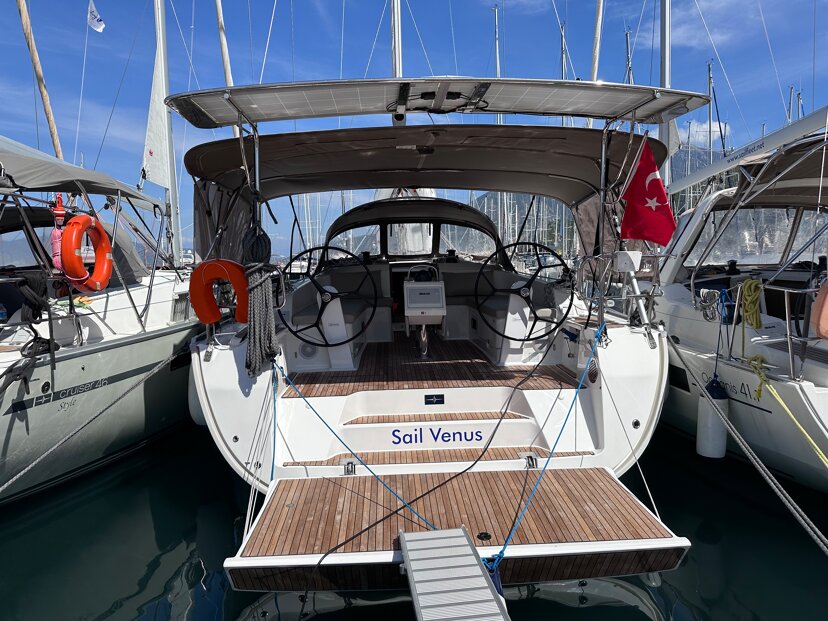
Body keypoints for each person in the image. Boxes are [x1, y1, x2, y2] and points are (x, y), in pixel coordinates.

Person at [50, 194, 64, 271]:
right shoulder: (56, 232)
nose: (61, 221)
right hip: (58, 259)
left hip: (60, 258)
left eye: (62, 220)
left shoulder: (59, 231)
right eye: (59, 219)